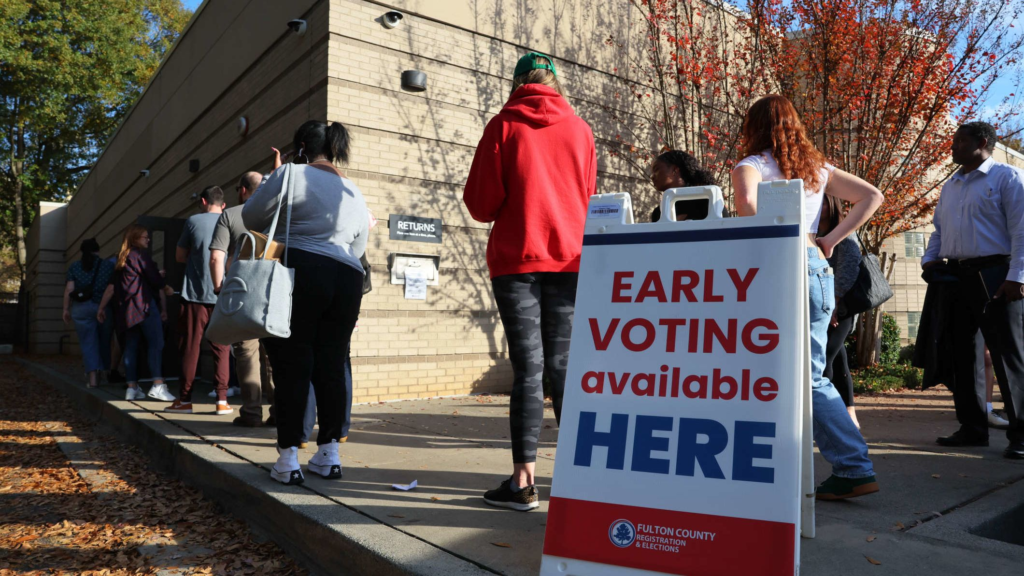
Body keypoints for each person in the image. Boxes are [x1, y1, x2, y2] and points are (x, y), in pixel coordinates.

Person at [732, 94, 883, 499]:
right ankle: (797, 460)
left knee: (796, 376)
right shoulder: (816, 169)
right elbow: (873, 196)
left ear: (754, 127)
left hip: (776, 272)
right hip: (816, 268)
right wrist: (829, 239)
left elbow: (746, 207)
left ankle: (852, 465)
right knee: (801, 373)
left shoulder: (751, 166)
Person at [464, 52, 596, 511]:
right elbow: (587, 194)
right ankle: (580, 481)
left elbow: (481, 205)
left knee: (529, 370)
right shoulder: (580, 130)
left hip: (518, 262)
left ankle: (523, 483)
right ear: (556, 83)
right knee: (564, 370)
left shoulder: (502, 126)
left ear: (517, 82)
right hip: (569, 259)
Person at [243, 120, 368, 485]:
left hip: (302, 271)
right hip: (347, 278)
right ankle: (329, 454)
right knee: (332, 362)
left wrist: (274, 180)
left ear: (300, 148)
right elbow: (357, 247)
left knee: (292, 362)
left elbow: (251, 217)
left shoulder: (290, 174)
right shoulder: (353, 190)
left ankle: (288, 458)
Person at [923, 121, 1024, 459]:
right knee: (962, 355)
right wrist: (930, 260)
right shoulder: (951, 185)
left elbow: (1022, 230)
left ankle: (1021, 435)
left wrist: (1018, 276)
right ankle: (972, 428)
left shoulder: (1006, 178)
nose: (953, 145)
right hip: (956, 275)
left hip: (997, 273)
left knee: (1007, 354)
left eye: (960, 140)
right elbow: (938, 228)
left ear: (982, 142)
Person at [210, 172, 274, 427]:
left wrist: (218, 289)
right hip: (271, 292)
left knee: (246, 352)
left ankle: (251, 413)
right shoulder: (275, 213)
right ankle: (279, 413)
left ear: (244, 190)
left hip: (242, 291)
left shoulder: (231, 214)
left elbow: (216, 257)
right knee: (272, 353)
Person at [165, 186, 232, 416]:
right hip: (223, 294)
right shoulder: (230, 219)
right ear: (223, 205)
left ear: (203, 201)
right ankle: (222, 400)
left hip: (195, 294)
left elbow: (179, 256)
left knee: (190, 347)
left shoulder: (193, 221)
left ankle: (185, 400)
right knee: (222, 348)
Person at [97, 225, 174, 402]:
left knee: (130, 348)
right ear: (134, 239)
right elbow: (154, 278)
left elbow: (111, 288)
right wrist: (166, 287)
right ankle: (158, 385)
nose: (148, 240)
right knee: (156, 343)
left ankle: (132, 388)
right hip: (144, 307)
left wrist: (101, 308)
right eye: (144, 237)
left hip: (126, 312)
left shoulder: (121, 261)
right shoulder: (139, 255)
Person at [818, 195, 862, 429]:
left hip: (840, 307)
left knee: (824, 360)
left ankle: (827, 418)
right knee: (838, 360)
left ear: (833, 204)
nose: (819, 205)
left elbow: (848, 267)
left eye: (824, 201)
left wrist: (833, 302)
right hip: (817, 305)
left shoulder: (843, 230)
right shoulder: (808, 231)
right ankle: (850, 414)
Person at [63, 239, 115, 388]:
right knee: (105, 341)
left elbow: (69, 290)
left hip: (81, 308)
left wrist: (66, 309)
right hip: (103, 307)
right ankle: (105, 372)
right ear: (97, 251)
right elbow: (111, 288)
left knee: (88, 343)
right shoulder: (108, 266)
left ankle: (93, 379)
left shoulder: (75, 266)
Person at [649, 150, 718, 222]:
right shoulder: (659, 213)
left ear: (675, 170)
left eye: (656, 170)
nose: (652, 176)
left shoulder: (708, 202)